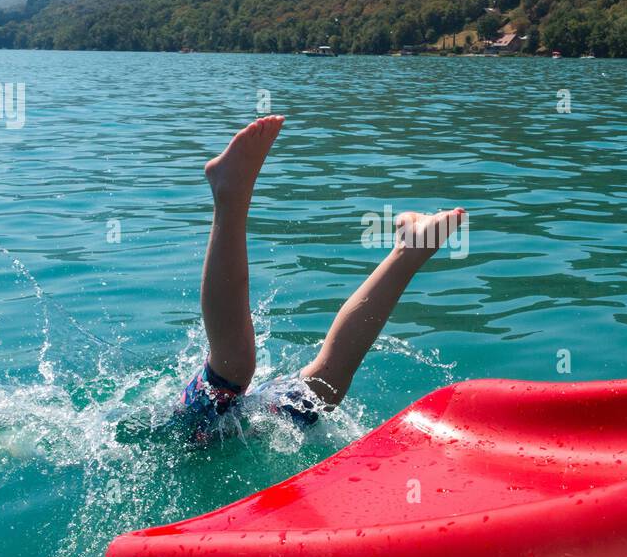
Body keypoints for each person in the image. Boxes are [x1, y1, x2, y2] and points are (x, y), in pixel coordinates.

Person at [178, 115, 465, 442]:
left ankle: (230, 193)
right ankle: (410, 251)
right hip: (237, 433)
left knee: (233, 369)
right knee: (327, 386)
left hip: (193, 427)